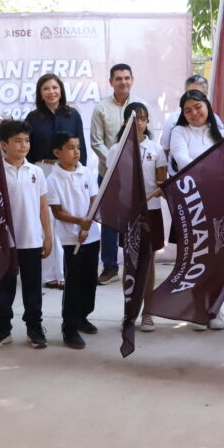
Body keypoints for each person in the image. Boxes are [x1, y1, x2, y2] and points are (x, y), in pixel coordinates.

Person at [0, 120, 53, 350]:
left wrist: (48, 236)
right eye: (17, 141)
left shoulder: (36, 172)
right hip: (5, 242)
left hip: (31, 240)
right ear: (4, 144)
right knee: (4, 287)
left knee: (32, 287)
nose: (23, 145)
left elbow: (43, 208)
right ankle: (2, 328)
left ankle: (34, 327)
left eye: (27, 141)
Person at [168, 89, 224, 330]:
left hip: (219, 201)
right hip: (191, 202)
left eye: (198, 107)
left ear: (207, 106)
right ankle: (198, 308)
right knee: (195, 256)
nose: (194, 113)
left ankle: (215, 308)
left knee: (218, 256)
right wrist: (209, 172)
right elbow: (182, 159)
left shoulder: (222, 133)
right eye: (188, 110)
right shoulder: (179, 132)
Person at [25, 73, 87, 290]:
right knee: (46, 221)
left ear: (61, 90)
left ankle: (69, 272)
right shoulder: (33, 118)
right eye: (46, 89)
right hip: (42, 170)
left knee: (66, 218)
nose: (51, 92)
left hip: (67, 170)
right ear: (40, 94)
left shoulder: (73, 115)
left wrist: (80, 170)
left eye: (54, 87)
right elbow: (28, 150)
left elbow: (81, 146)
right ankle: (51, 274)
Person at [110, 102, 167, 332]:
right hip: (129, 213)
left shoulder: (156, 149)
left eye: (143, 119)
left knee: (148, 263)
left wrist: (160, 189)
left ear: (148, 121)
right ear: (125, 122)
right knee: (130, 262)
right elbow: (114, 184)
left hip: (151, 211)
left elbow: (162, 183)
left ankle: (148, 312)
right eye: (134, 119)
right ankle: (129, 312)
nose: (139, 123)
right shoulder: (116, 150)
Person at [45, 131, 100, 350]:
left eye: (78, 147)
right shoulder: (53, 179)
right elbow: (57, 212)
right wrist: (79, 222)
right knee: (74, 282)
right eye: (70, 148)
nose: (76, 152)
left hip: (91, 236)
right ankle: (69, 328)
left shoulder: (86, 172)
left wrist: (88, 223)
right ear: (57, 152)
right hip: (71, 239)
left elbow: (94, 200)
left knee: (89, 280)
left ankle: (82, 317)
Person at [90, 63, 137, 286]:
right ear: (111, 82)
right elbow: (96, 141)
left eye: (127, 78)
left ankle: (134, 265)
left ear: (132, 80)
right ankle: (110, 267)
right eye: (118, 78)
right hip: (108, 174)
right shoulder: (101, 108)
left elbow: (146, 136)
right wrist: (114, 162)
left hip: (134, 176)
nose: (123, 82)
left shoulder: (140, 106)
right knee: (108, 222)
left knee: (133, 220)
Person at [160, 75, 223, 156]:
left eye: (197, 93)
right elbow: (165, 149)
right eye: (189, 92)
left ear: (205, 95)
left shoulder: (216, 120)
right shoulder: (173, 119)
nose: (194, 113)